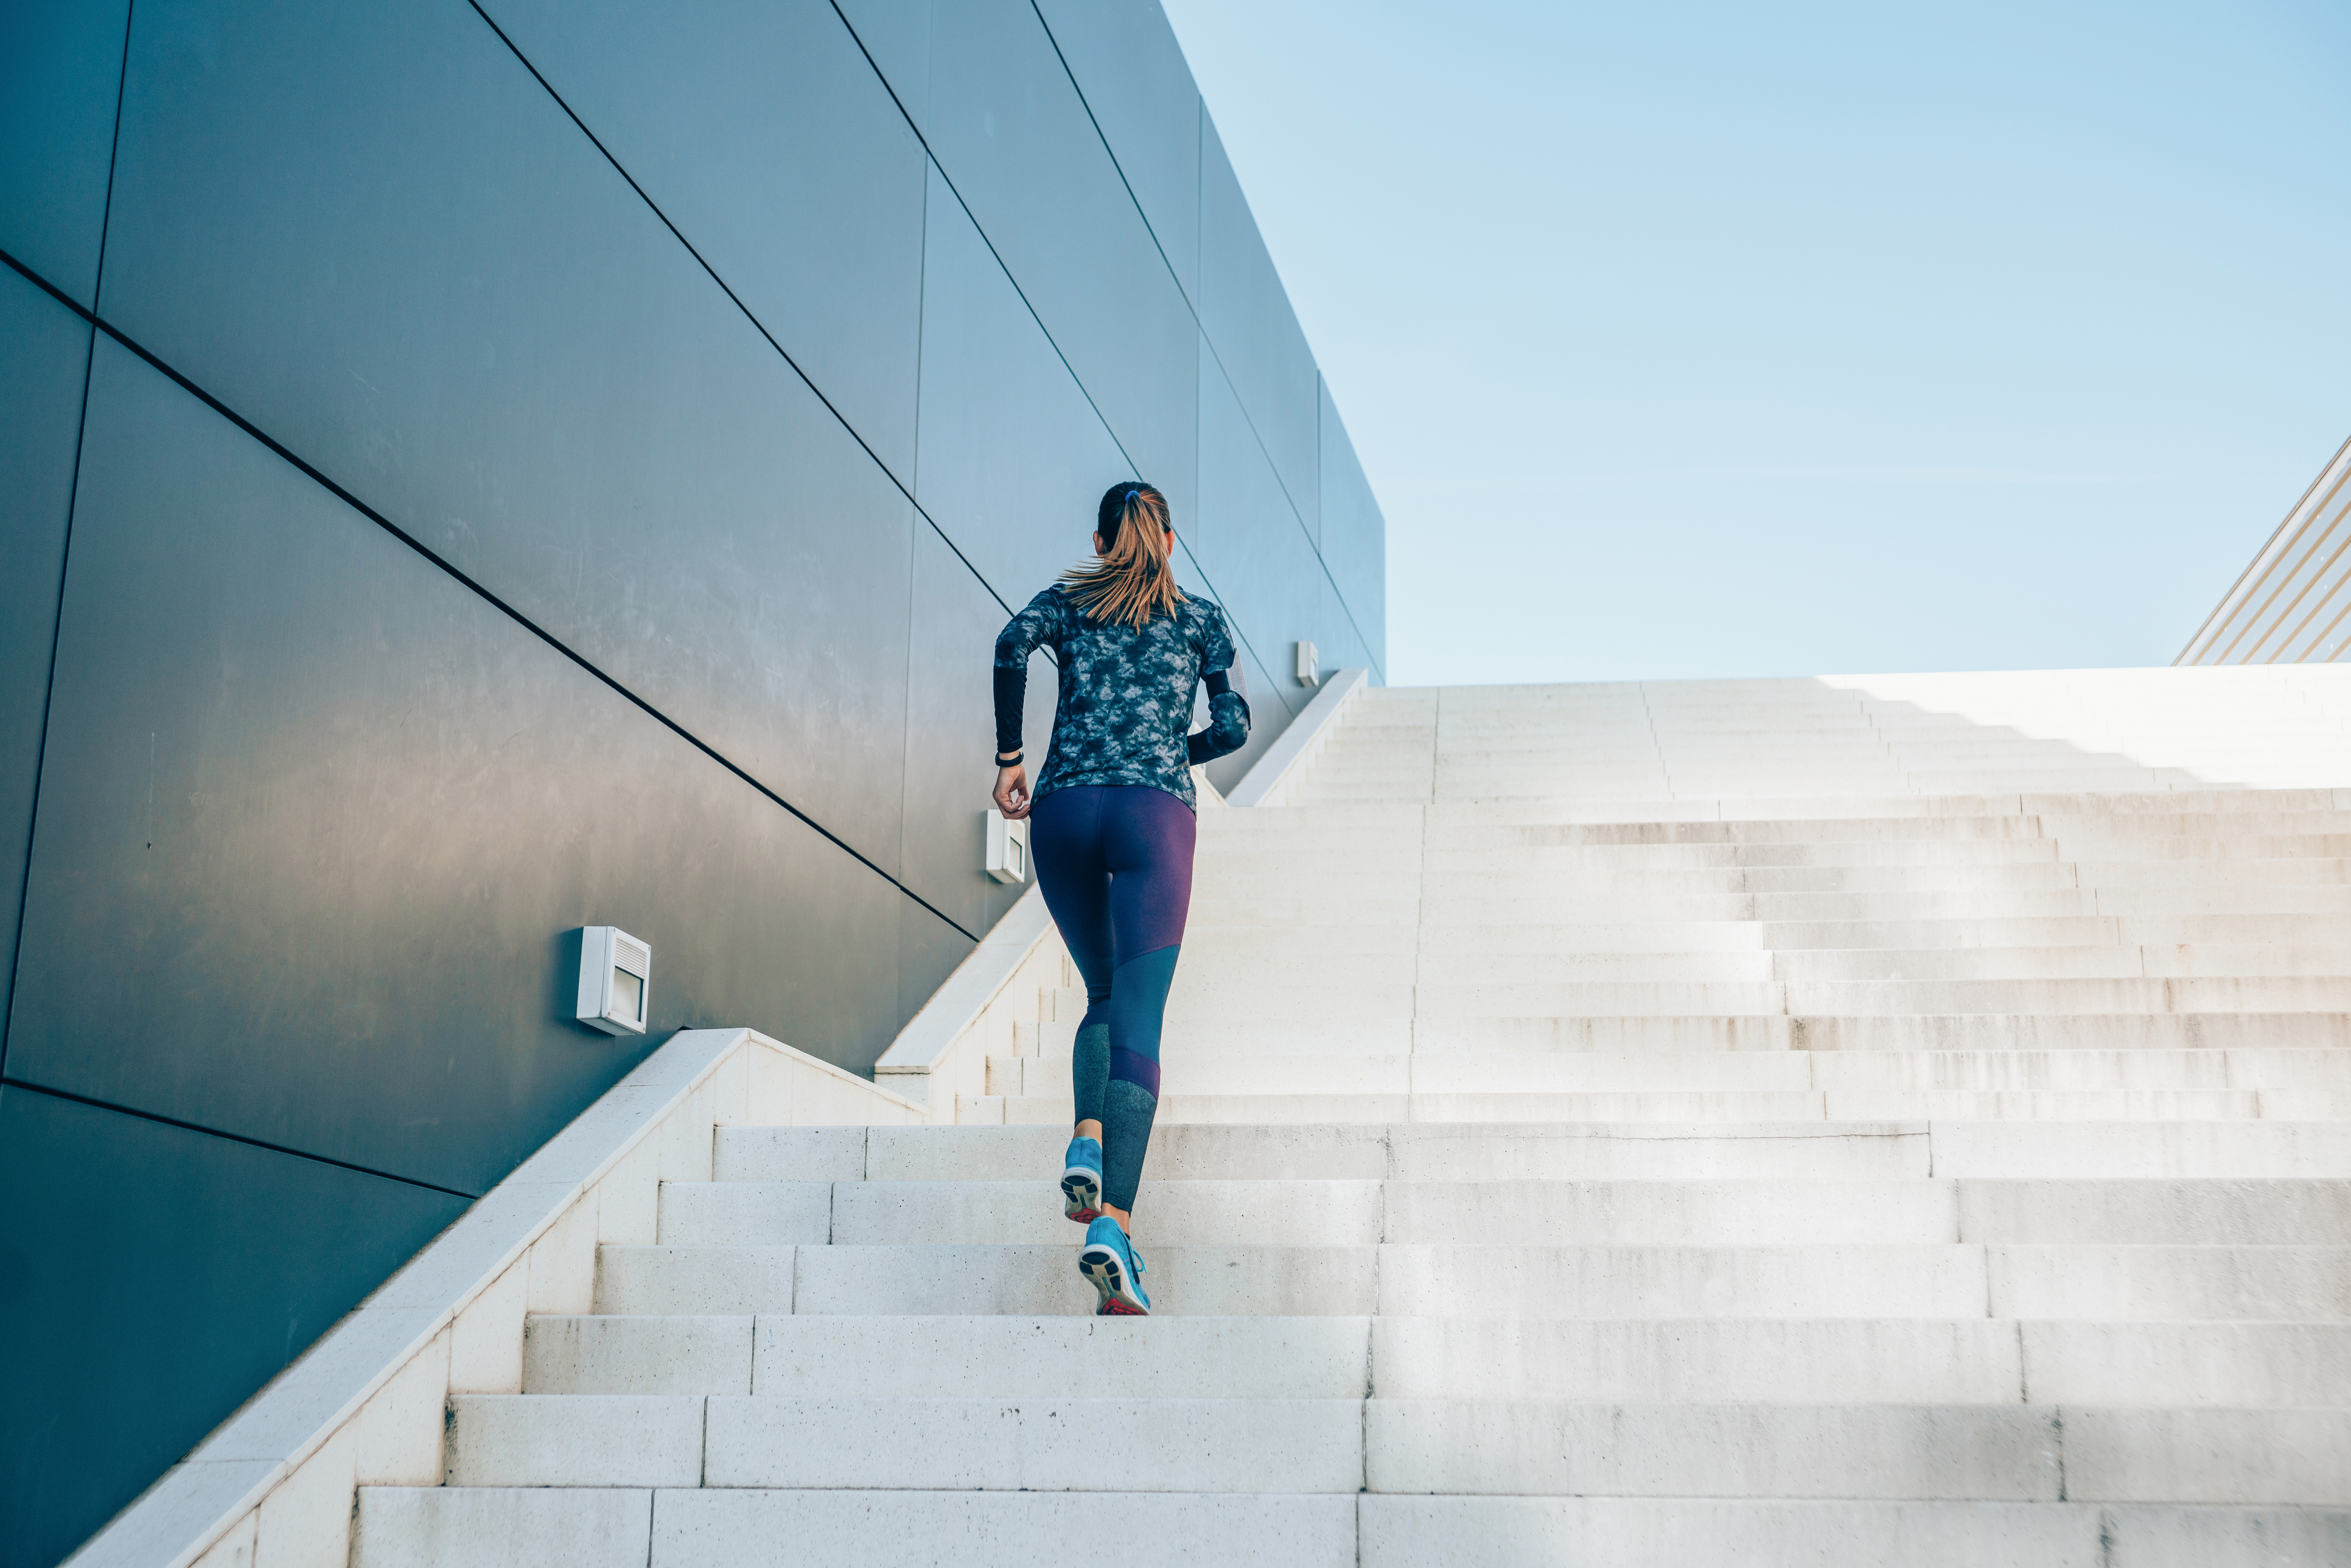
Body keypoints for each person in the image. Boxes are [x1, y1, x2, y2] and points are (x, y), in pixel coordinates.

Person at [992, 481, 1251, 1315]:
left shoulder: (1069, 599)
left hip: (1065, 809)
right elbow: (1237, 724)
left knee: (1099, 991)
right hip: (1153, 815)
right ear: (1169, 542)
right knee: (1139, 1016)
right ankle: (1113, 1227)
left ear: (1100, 541)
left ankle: (1087, 1135)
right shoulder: (1202, 618)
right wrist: (1177, 750)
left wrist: (1008, 759)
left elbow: (1008, 644)